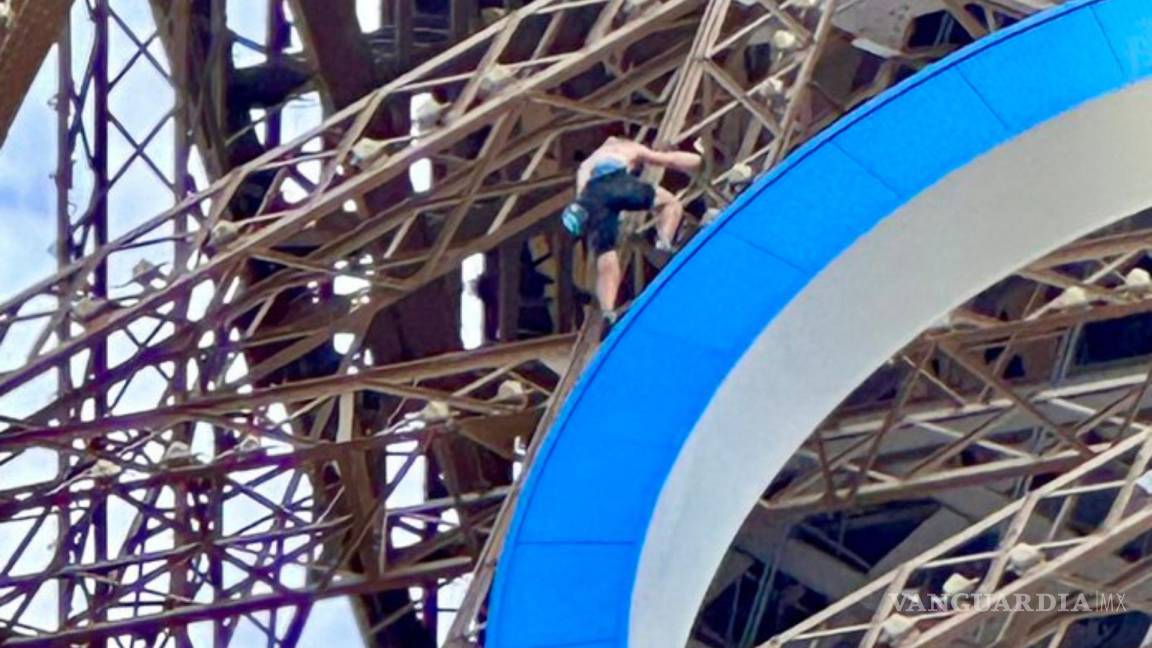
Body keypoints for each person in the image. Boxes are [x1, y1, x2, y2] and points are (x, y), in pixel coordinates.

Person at [561, 136, 701, 326]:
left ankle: (608, 311)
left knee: (606, 257)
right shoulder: (628, 148)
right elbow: (670, 160)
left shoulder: (588, 162)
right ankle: (663, 243)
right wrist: (701, 161)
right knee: (670, 204)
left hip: (591, 197)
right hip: (617, 180)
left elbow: (581, 193)